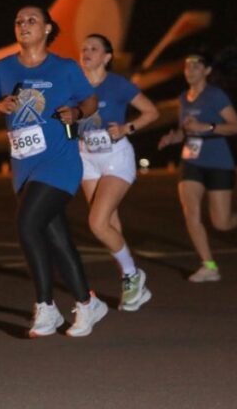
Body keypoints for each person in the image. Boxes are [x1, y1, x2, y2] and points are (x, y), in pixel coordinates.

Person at [0, 6, 108, 338]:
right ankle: (88, 303)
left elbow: (90, 102)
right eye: (18, 21)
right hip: (24, 166)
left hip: (60, 162)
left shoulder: (64, 68)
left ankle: (45, 307)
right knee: (57, 238)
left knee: (27, 223)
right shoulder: (1, 69)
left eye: (32, 20)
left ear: (48, 28)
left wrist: (76, 111)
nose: (23, 25)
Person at [157, 51, 237, 282]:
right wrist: (173, 138)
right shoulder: (184, 98)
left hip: (218, 161)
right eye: (187, 66)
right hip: (191, 162)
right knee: (191, 212)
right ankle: (209, 265)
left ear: (206, 71)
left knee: (221, 222)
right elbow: (186, 130)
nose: (190, 70)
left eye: (196, 66)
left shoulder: (216, 96)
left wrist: (207, 127)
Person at [77, 34, 159, 310]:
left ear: (107, 57)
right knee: (109, 224)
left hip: (116, 157)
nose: (87, 52)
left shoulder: (118, 84)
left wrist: (126, 128)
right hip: (87, 158)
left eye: (94, 49)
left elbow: (151, 112)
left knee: (97, 223)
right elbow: (66, 121)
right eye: (84, 48)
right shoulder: (74, 85)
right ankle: (132, 284)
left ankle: (132, 274)